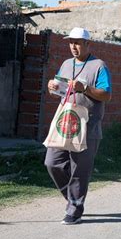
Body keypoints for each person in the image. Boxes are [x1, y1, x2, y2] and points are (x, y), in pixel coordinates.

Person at [45, 27, 112, 225]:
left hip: (87, 125)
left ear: (87, 44)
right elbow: (60, 92)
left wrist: (86, 88)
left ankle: (74, 209)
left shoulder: (99, 66)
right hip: (64, 123)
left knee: (80, 169)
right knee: (52, 162)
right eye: (70, 42)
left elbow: (106, 95)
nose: (73, 46)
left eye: (77, 43)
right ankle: (74, 200)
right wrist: (53, 88)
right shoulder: (66, 64)